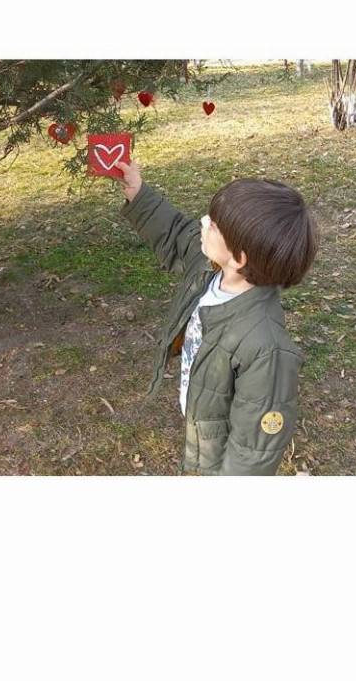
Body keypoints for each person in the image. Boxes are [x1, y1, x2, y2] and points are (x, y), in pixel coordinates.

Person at [115, 159, 318, 475]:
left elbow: (253, 452)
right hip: (203, 416)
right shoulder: (210, 270)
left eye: (213, 225)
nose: (203, 221)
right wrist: (137, 192)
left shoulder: (266, 349)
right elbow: (177, 234)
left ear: (239, 258)